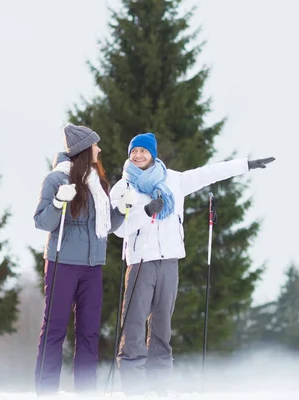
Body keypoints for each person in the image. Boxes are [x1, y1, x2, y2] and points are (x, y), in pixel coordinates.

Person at [109, 132, 275, 395]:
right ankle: (134, 390)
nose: (138, 156)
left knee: (162, 325)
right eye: (134, 152)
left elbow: (209, 173)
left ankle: (160, 387)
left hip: (169, 263)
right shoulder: (123, 188)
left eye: (143, 151)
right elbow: (117, 229)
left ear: (153, 154)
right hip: (141, 263)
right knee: (134, 325)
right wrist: (145, 211)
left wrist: (245, 164)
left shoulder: (175, 180)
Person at [33, 123, 126, 396]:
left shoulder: (97, 182)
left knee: (88, 333)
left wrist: (122, 208)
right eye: (96, 145)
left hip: (92, 268)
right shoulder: (56, 180)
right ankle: (46, 391)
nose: (100, 149)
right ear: (84, 150)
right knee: (55, 329)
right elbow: (41, 221)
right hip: (63, 264)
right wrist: (59, 203)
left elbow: (106, 225)